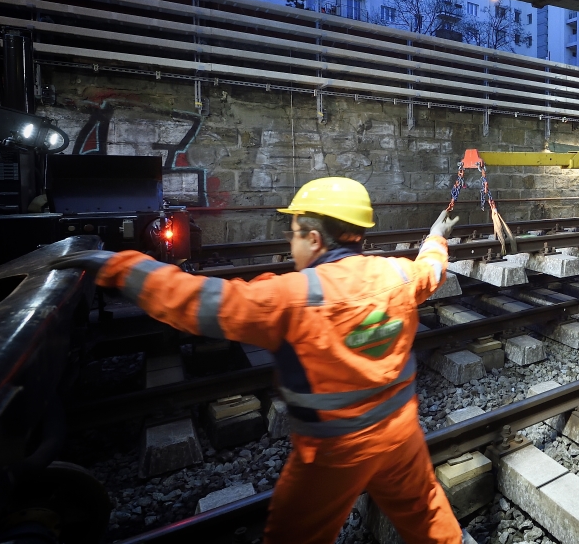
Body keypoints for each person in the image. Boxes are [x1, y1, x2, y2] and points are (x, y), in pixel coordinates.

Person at [50, 178, 463, 544]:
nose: (290, 243)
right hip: (400, 436)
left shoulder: (294, 297)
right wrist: (435, 236)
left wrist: (117, 267)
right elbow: (432, 268)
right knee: (425, 510)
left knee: (293, 535)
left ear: (315, 240)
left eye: (294, 234)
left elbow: (197, 301)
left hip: (335, 452)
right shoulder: (398, 275)